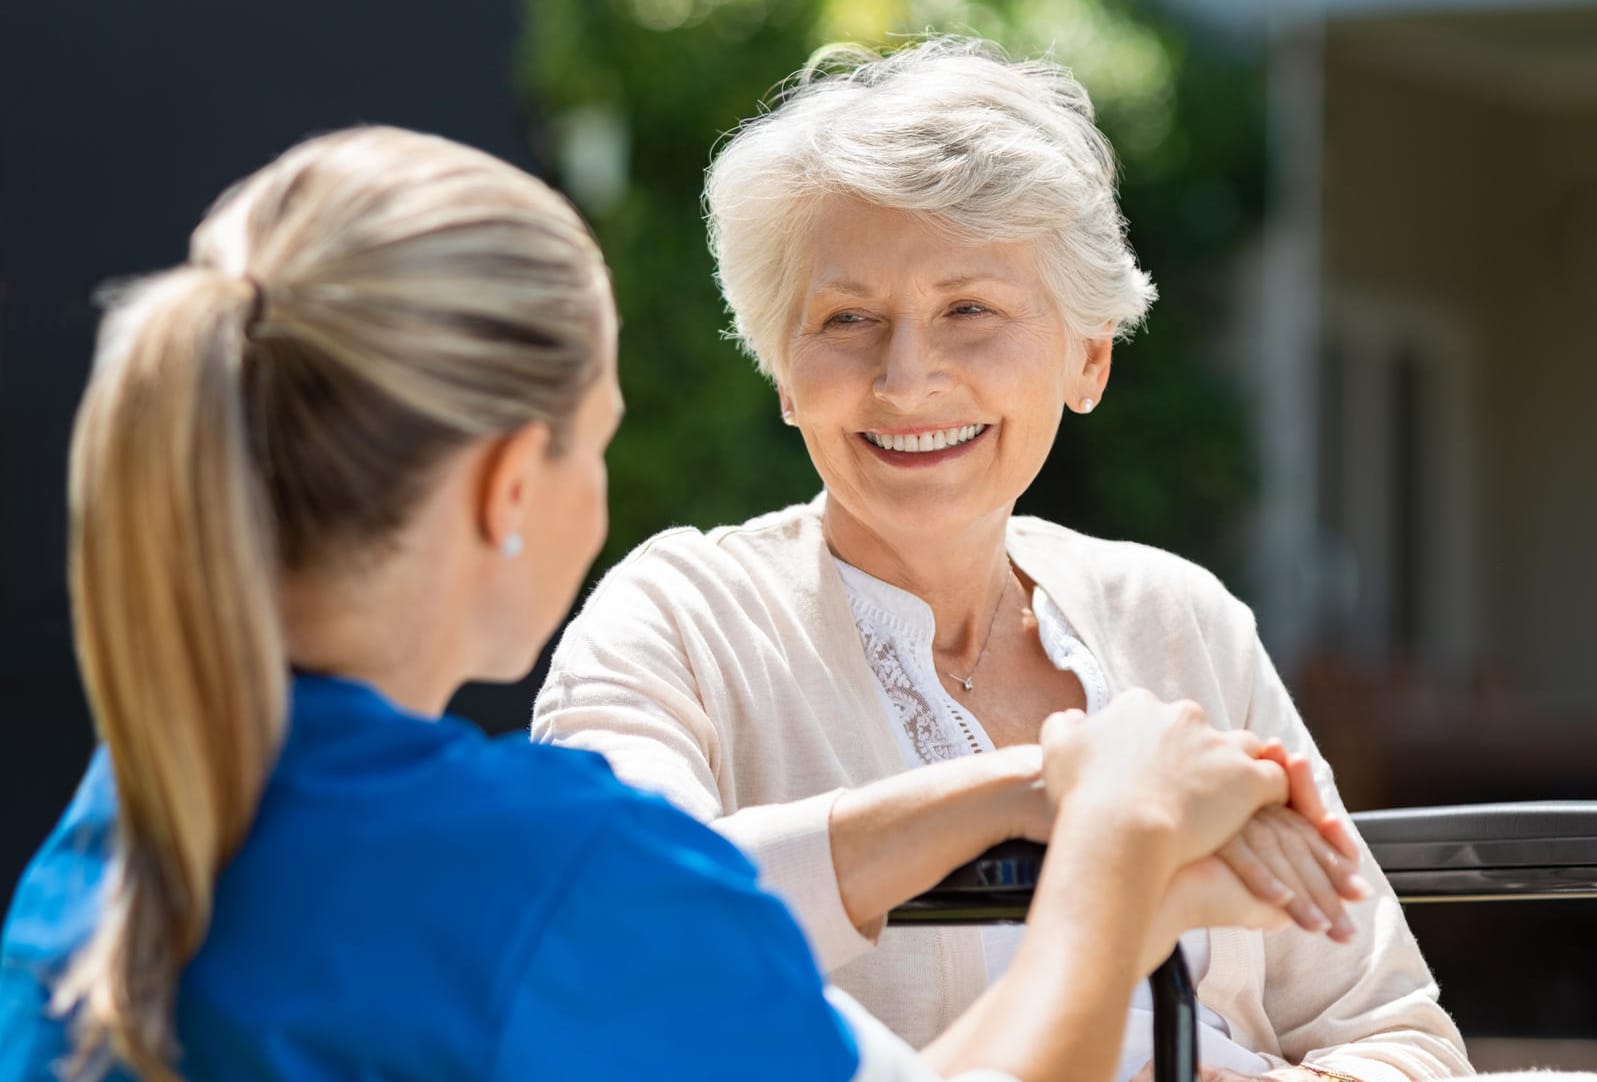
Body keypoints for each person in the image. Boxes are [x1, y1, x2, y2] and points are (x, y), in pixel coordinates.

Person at [0, 125, 1318, 1082]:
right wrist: (1116, 852)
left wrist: (1019, 788)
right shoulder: (549, 877)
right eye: (600, 438)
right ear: (515, 479)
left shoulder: (129, 819)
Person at [531, 37, 1473, 1082]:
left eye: (968, 310)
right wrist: (1055, 788)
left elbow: (1391, 1032)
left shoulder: (1179, 617)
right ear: (783, 371)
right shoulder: (678, 620)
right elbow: (615, 924)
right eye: (848, 319)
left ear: (1088, 355)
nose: (906, 377)